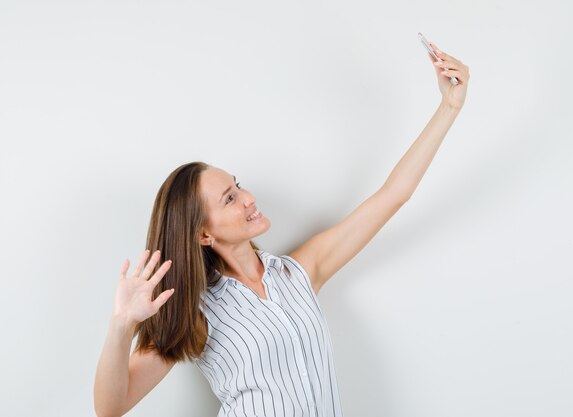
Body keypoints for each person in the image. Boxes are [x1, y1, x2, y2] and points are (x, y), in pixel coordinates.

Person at [94, 41, 469, 417]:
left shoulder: (295, 273)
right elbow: (111, 407)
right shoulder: (196, 312)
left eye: (238, 185)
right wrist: (121, 325)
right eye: (229, 198)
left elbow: (392, 197)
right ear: (203, 235)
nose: (248, 198)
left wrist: (448, 107)